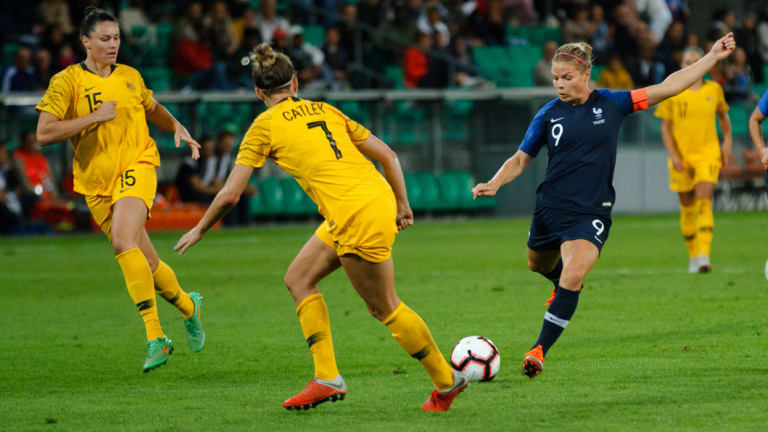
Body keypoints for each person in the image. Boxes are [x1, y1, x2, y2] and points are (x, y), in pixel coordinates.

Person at [174, 43, 469, 412]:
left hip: (354, 213)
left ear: (258, 92)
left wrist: (200, 229)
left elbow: (230, 194)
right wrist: (403, 203)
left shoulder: (262, 126)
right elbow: (389, 156)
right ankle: (327, 377)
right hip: (368, 200)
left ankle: (446, 380)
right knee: (298, 278)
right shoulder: (326, 110)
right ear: (295, 83)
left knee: (384, 307)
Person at [471, 34, 736, 379]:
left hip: (591, 212)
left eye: (566, 78)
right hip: (550, 208)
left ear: (585, 75)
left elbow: (668, 87)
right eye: (555, 79)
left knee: (574, 273)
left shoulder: (612, 103)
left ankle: (539, 350)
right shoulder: (548, 115)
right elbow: (521, 159)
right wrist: (495, 182)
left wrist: (712, 57)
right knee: (537, 264)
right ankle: (561, 288)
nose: (560, 85)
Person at [34, 7, 206, 373]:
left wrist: (176, 125)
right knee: (148, 262)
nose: (113, 45)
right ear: (86, 41)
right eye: (105, 39)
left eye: (116, 38)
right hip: (96, 183)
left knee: (122, 241)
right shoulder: (67, 82)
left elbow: (152, 107)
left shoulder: (130, 76)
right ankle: (190, 308)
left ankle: (155, 336)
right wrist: (92, 118)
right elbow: (44, 133)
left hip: (138, 165)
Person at [655, 47, 732, 273]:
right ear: (682, 65)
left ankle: (704, 255)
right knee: (687, 207)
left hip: (708, 153)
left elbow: (724, 117)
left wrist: (727, 142)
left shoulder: (714, 89)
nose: (693, 64)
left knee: (704, 201)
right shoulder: (672, 90)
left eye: (697, 61)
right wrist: (674, 156)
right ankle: (693, 256)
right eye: (688, 60)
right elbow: (665, 128)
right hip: (681, 157)